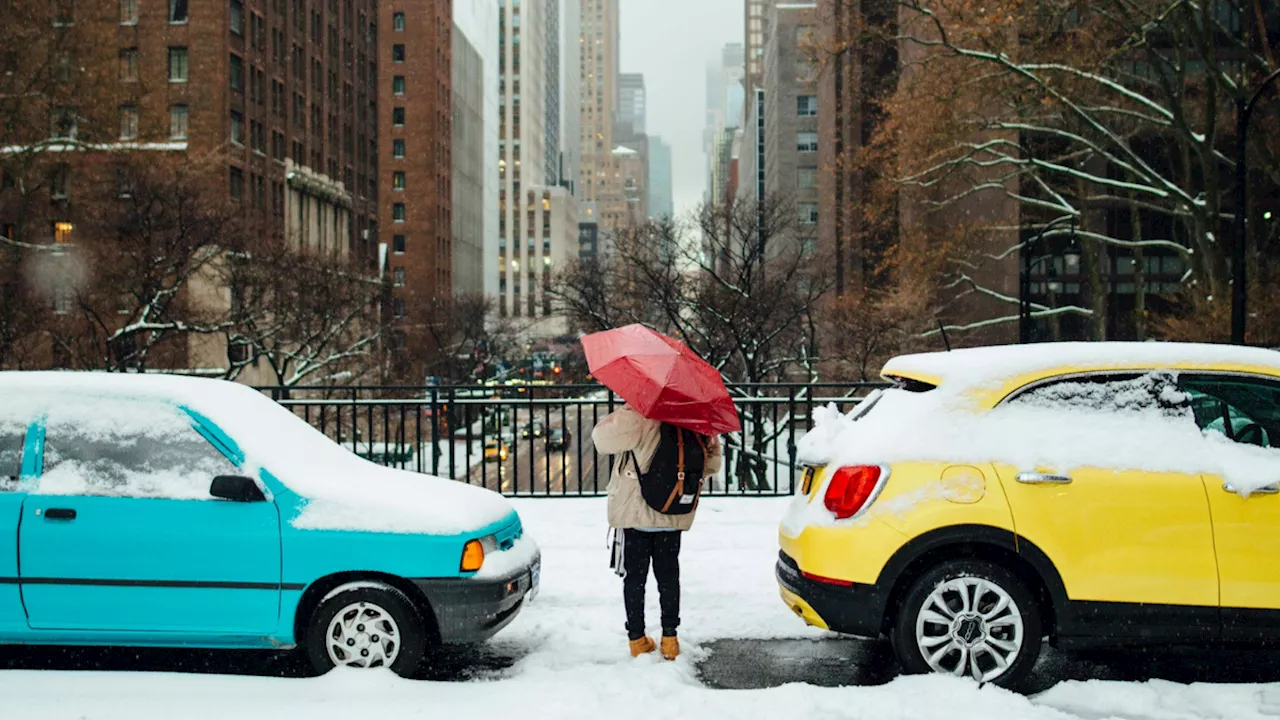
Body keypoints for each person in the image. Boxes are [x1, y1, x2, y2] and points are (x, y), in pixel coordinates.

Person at [592, 404, 722, 661]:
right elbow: (712, 464)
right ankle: (670, 639)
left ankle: (637, 639)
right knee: (669, 576)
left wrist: (623, 411)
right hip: (673, 513)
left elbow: (601, 440)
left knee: (634, 579)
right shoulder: (695, 415)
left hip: (637, 514)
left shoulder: (641, 414)